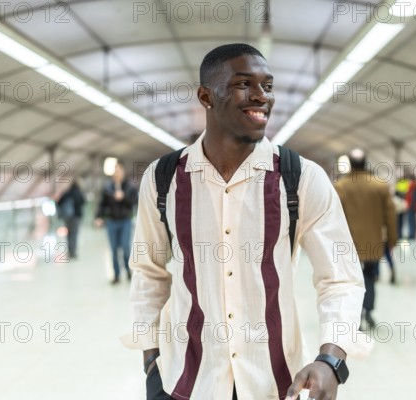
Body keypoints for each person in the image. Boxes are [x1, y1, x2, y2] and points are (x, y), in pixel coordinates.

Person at [121, 43, 370, 400]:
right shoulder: (163, 180)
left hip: (273, 385)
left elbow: (341, 277)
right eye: (243, 84)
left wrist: (331, 360)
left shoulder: (299, 178)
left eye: (267, 86)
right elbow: (148, 271)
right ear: (206, 96)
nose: (261, 97)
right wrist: (151, 361)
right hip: (185, 382)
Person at [334, 149, 398, 329]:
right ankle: (368, 311)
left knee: (351, 280)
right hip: (373, 243)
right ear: (365, 163)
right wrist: (392, 238)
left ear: (351, 164)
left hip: (348, 244)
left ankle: (355, 315)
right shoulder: (379, 185)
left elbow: (333, 217)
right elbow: (390, 215)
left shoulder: (341, 186)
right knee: (370, 277)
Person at [95, 162, 137, 284]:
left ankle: (128, 271)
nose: (117, 173)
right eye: (115, 170)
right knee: (113, 249)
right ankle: (116, 274)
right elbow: (102, 204)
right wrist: (99, 217)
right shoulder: (108, 187)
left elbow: (134, 202)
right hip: (112, 221)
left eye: (119, 170)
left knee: (125, 247)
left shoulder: (129, 187)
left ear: (123, 171)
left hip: (125, 221)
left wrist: (123, 197)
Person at [56, 179, 85, 259]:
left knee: (69, 234)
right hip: (76, 217)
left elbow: (59, 202)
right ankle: (73, 252)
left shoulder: (67, 192)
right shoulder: (79, 193)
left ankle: (69, 251)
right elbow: (83, 202)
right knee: (74, 234)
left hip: (68, 217)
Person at [405, 175, 416, 240]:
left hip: (411, 207)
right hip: (412, 207)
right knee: (412, 221)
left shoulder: (413, 186)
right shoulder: (413, 186)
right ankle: (412, 234)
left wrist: (411, 207)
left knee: (411, 221)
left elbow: (413, 198)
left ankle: (412, 235)